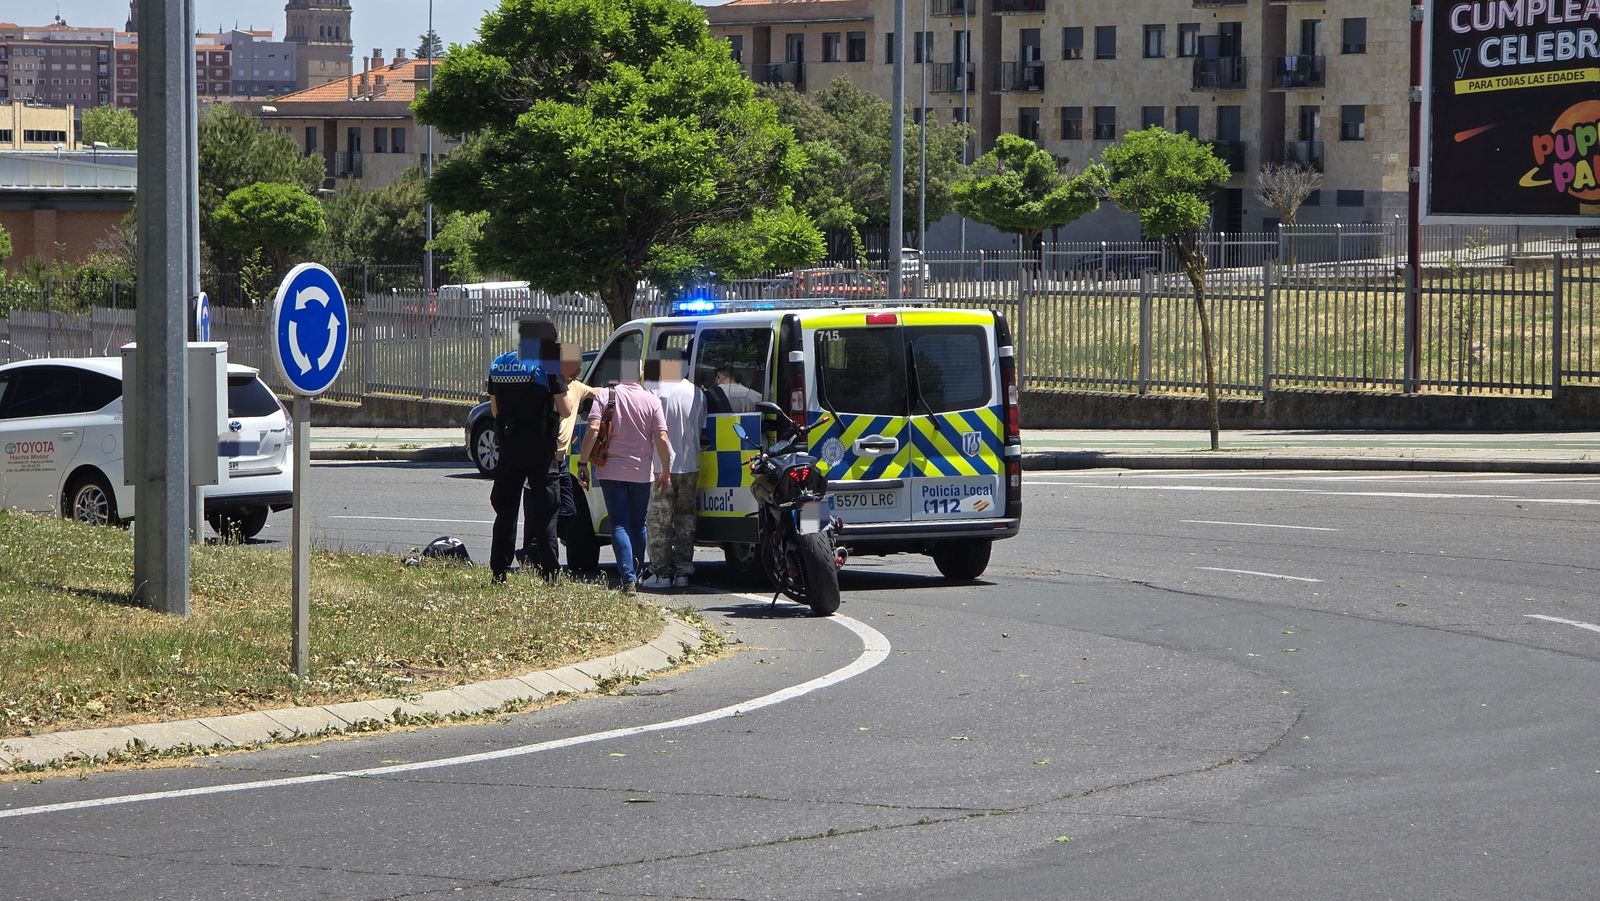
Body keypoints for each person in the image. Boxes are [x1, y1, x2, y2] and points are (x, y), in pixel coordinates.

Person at [486, 318, 570, 583]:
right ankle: (550, 573)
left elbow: (495, 410)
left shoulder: (499, 363)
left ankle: (499, 571)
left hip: (509, 449)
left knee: (506, 512)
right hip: (540, 450)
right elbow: (566, 409)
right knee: (546, 512)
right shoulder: (548, 365)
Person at [578, 358, 671, 593]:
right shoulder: (652, 400)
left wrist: (583, 462)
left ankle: (627, 578)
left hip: (610, 470)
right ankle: (636, 575)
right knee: (638, 525)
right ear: (640, 375)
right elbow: (661, 438)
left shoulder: (605, 396)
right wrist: (666, 471)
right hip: (641, 474)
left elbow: (593, 429)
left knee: (619, 524)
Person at [529, 342, 595, 572]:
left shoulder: (577, 387)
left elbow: (599, 393)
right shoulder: (546, 386)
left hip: (561, 461)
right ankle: (537, 553)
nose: (576, 370)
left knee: (569, 511)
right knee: (544, 509)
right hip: (544, 457)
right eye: (572, 365)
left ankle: (537, 547)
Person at [642, 350, 704, 590]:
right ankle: (683, 572)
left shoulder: (655, 392)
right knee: (685, 521)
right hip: (690, 465)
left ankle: (661, 573)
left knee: (660, 522)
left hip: (661, 466)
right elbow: (701, 426)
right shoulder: (697, 393)